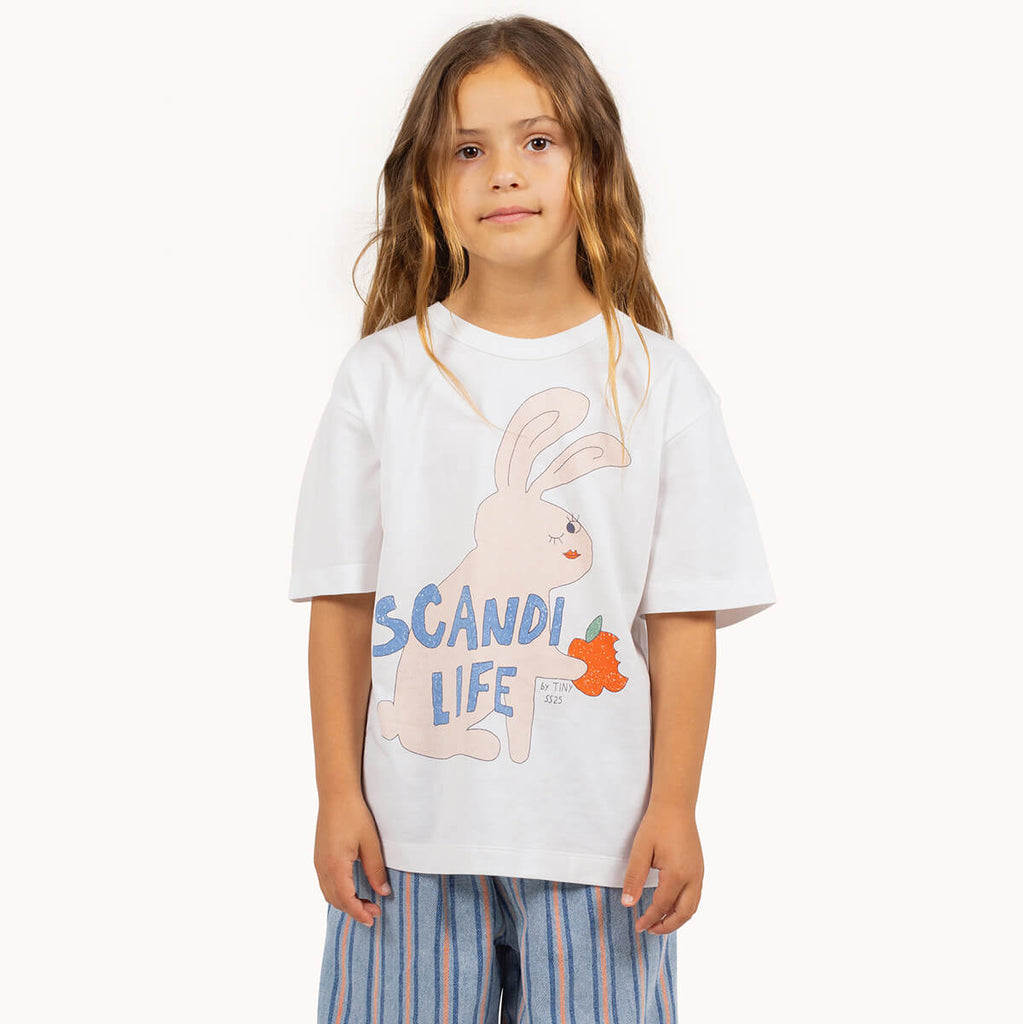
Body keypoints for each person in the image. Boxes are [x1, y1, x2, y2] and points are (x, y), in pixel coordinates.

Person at [288, 15, 776, 1023]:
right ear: (429, 183)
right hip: (407, 845)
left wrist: (675, 805)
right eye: (467, 150)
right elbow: (341, 603)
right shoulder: (383, 377)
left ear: (591, 160)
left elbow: (682, 617)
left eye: (537, 140)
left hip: (601, 849)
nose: (503, 172)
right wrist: (338, 795)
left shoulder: (660, 384)